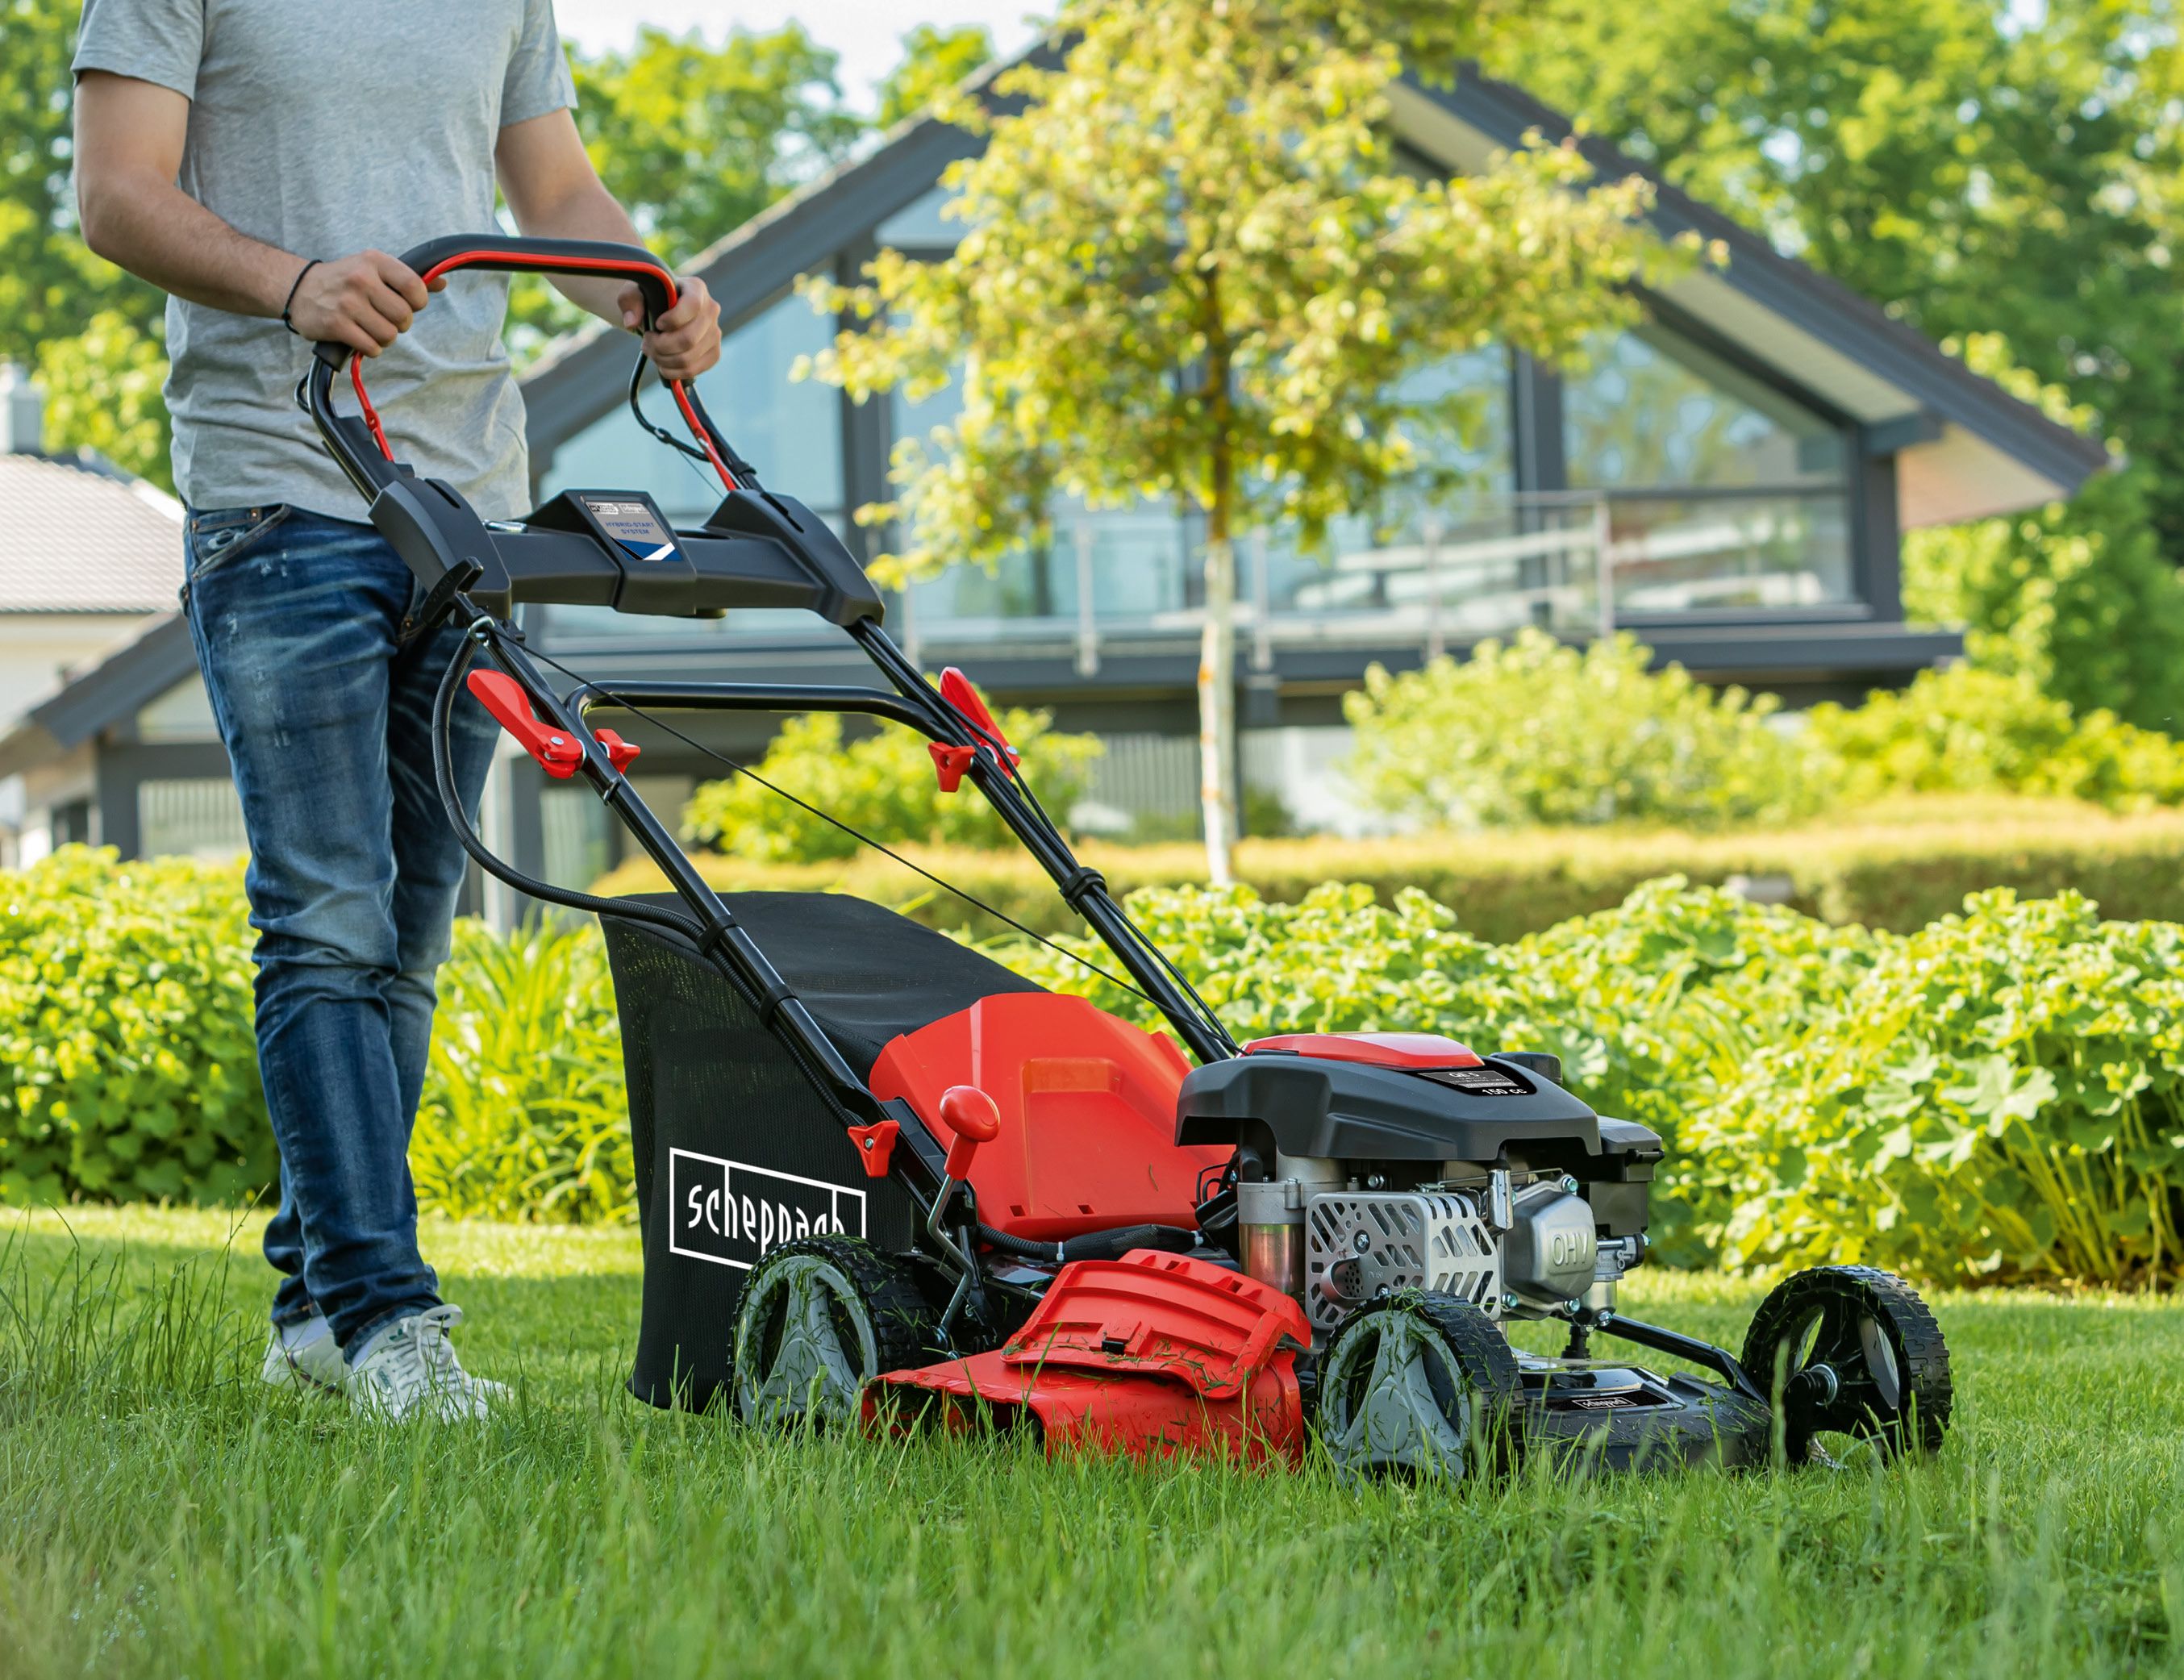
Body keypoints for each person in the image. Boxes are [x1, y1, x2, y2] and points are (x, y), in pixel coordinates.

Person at [70, 0, 723, 1420]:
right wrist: (294, 282)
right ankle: (385, 1320)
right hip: (282, 482)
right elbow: (115, 193)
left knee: (409, 935)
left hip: (470, 501)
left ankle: (315, 1307)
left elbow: (554, 194)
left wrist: (644, 287)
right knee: (326, 917)